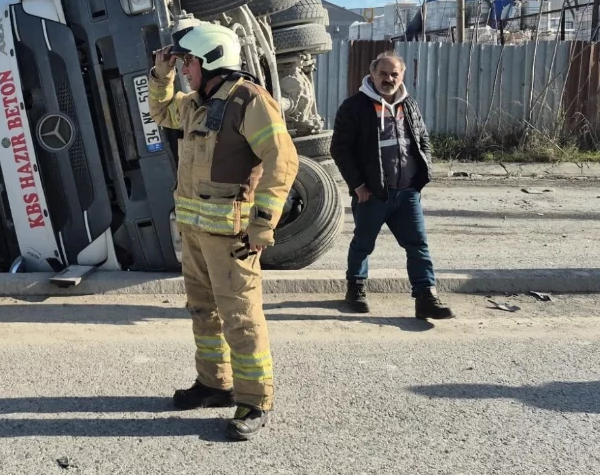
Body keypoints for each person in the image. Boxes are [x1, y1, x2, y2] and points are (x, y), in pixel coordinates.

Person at [148, 22, 298, 441]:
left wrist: (263, 223)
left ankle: (255, 400)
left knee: (242, 319)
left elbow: (282, 161)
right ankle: (214, 385)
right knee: (203, 311)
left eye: (187, 62)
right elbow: (160, 111)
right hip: (196, 233)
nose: (184, 70)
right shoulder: (198, 101)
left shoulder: (249, 100)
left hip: (233, 238)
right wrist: (160, 75)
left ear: (210, 60)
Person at [330, 51, 453, 321]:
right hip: (372, 194)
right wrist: (358, 185)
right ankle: (356, 288)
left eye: (394, 74)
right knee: (363, 244)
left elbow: (423, 141)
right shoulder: (354, 107)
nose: (389, 79)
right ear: (372, 74)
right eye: (383, 73)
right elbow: (340, 149)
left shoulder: (409, 105)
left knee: (418, 245)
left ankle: (425, 297)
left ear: (402, 75)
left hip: (407, 193)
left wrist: (422, 175)